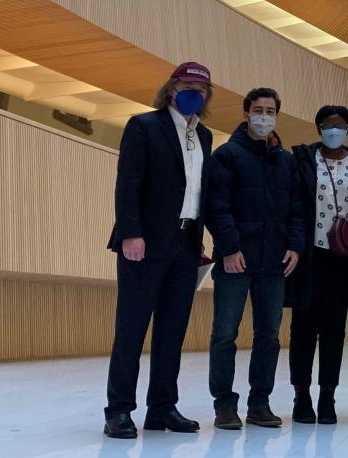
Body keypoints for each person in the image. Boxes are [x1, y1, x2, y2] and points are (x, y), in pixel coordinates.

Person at [103, 62, 213, 439]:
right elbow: (128, 183)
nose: (194, 92)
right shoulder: (144, 126)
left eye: (201, 87)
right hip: (144, 244)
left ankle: (162, 408)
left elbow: (198, 191)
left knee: (172, 331)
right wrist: (131, 233)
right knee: (132, 329)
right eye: (187, 85)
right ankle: (118, 410)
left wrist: (201, 241)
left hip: (185, 245)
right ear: (171, 88)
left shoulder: (206, 137)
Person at [206, 87, 305, 430]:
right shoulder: (227, 155)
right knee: (224, 334)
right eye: (258, 110)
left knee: (268, 336)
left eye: (270, 111)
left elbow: (297, 208)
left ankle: (260, 403)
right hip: (235, 261)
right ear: (247, 112)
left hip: (273, 263)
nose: (264, 116)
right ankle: (224, 405)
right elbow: (216, 206)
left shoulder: (286, 161)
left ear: (277, 115)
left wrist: (295, 245)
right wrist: (230, 248)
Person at [287, 105, 348, 425]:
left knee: (333, 331)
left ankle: (328, 395)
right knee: (303, 328)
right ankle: (302, 395)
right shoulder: (303, 159)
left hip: (344, 260)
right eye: (328, 124)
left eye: (340, 124)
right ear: (318, 128)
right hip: (310, 257)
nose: (334, 130)